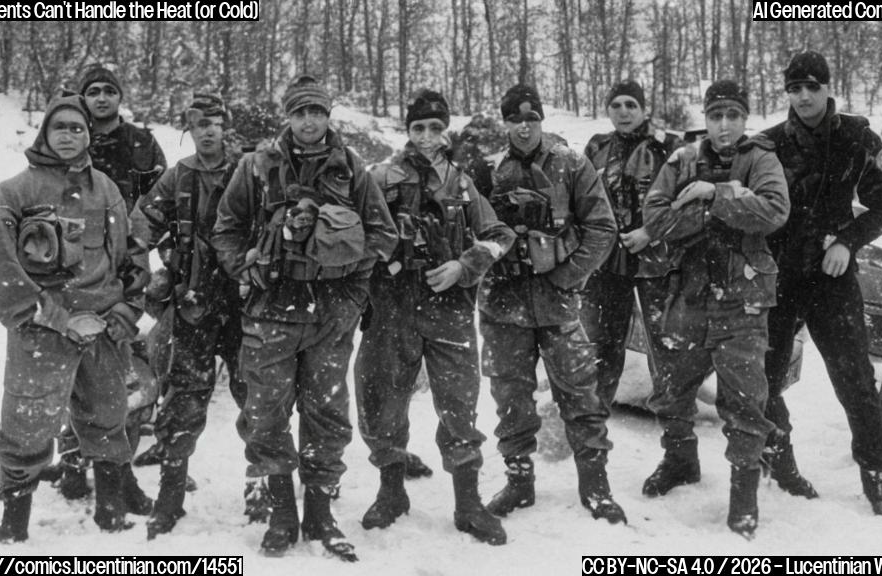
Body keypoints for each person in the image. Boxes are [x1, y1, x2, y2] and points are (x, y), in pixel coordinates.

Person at [212, 75, 397, 560]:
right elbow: (226, 228)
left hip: (330, 314)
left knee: (327, 413)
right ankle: (280, 512)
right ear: (287, 117)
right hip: (271, 310)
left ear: (327, 116)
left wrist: (349, 285)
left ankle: (320, 512)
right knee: (266, 411)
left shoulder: (351, 167)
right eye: (300, 113)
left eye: (317, 112)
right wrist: (246, 266)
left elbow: (383, 235)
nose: (309, 121)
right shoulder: (255, 167)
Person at [0, 91, 149, 542]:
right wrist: (59, 319)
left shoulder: (108, 190)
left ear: (88, 133)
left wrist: (123, 310)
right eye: (61, 128)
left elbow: (132, 259)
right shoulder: (14, 192)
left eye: (78, 128)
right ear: (44, 132)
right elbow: (3, 275)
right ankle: (13, 526)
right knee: (26, 426)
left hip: (103, 329)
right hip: (42, 330)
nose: (70, 136)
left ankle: (110, 515)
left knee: (109, 417)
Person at [354, 90, 514, 545]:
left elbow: (499, 235)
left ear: (446, 131)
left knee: (460, 405)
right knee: (382, 399)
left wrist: (466, 266)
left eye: (435, 128)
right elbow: (359, 232)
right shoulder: (380, 177)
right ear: (407, 131)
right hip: (393, 308)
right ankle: (391, 493)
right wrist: (383, 260)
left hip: (449, 311)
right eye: (418, 128)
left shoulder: (462, 183)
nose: (427, 137)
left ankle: (468, 504)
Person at [642, 79, 789, 539]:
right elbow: (655, 219)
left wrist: (713, 192)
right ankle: (680, 460)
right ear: (704, 119)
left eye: (733, 116)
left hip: (742, 300)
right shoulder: (682, 158)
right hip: (687, 294)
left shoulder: (761, 158)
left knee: (745, 401)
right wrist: (717, 206)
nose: (724, 125)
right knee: (671, 388)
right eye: (715, 116)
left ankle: (743, 498)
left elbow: (773, 212)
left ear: (745, 119)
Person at [761, 51, 882, 514]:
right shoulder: (765, 145)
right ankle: (780, 465)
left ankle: (877, 476)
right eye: (794, 88)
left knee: (856, 380)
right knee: (763, 379)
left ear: (827, 88)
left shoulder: (856, 137)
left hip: (832, 276)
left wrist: (848, 239)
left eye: (812, 87)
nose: (803, 97)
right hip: (779, 276)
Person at [479, 84, 626, 525]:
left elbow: (602, 228)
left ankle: (595, 486)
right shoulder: (486, 171)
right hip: (503, 304)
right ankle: (519, 482)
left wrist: (567, 275)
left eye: (532, 119)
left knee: (581, 393)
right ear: (504, 123)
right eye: (514, 120)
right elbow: (466, 232)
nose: (524, 128)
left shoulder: (571, 163)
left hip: (559, 303)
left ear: (541, 121)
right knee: (510, 395)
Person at [129, 93, 250, 539]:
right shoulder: (178, 178)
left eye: (215, 122)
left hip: (242, 307)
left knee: (256, 401)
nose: (207, 130)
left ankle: (262, 490)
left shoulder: (249, 172)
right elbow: (140, 227)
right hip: (194, 306)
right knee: (182, 402)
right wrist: (153, 270)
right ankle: (170, 495)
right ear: (188, 129)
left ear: (226, 127)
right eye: (197, 123)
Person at [582, 79, 681, 408]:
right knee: (601, 347)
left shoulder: (669, 147)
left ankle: (675, 426)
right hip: (607, 264)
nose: (623, 113)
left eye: (631, 105)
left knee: (666, 346)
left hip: (659, 261)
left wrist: (650, 231)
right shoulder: (597, 148)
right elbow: (583, 200)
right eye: (616, 106)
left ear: (643, 109)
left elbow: (686, 203)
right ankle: (593, 424)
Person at [80, 65, 168, 212]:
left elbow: (162, 193)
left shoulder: (143, 141)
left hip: (133, 230)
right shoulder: (76, 141)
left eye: (110, 92)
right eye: (93, 93)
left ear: (120, 97)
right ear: (83, 99)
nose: (102, 99)